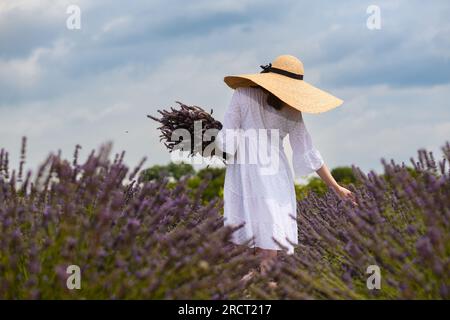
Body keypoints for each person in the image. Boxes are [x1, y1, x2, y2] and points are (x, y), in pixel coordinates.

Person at [215, 55, 355, 277]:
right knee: (270, 239)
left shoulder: (242, 95)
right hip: (275, 177)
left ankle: (240, 291)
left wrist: (214, 139)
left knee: (242, 237)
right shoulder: (291, 109)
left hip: (245, 174)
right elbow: (308, 151)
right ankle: (267, 288)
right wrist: (336, 187)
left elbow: (226, 142)